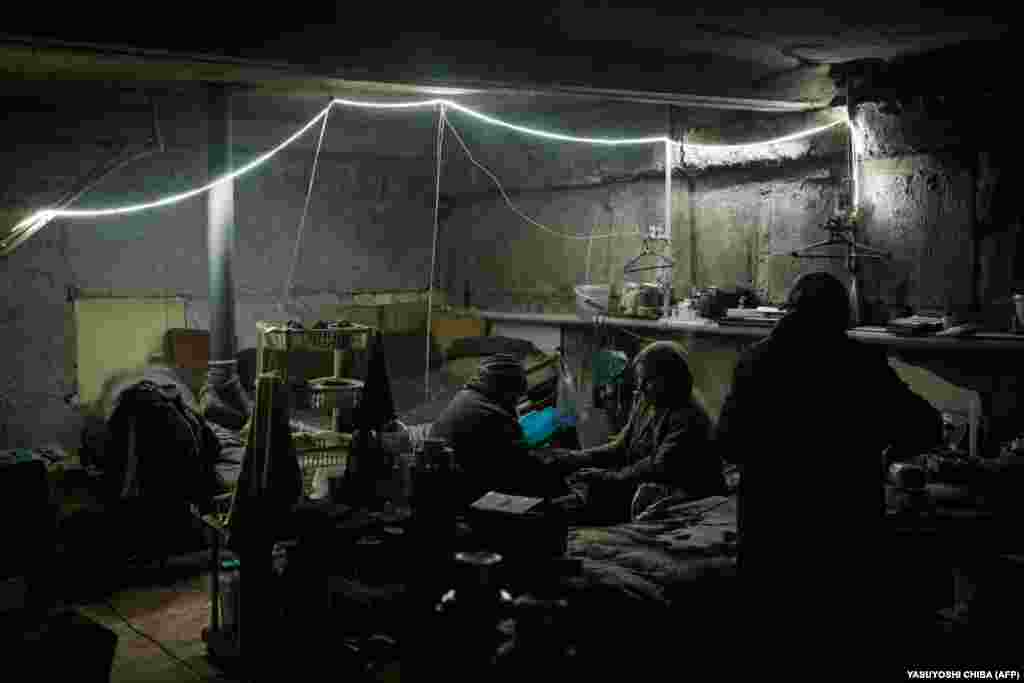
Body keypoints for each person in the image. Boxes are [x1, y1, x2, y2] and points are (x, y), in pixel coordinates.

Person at [715, 271, 943, 660]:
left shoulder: (753, 362)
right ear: (841, 317)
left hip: (770, 537)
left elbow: (728, 443)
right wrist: (888, 451)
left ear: (790, 308)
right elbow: (928, 426)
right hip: (841, 538)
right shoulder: (861, 364)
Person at [549, 340, 724, 522]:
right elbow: (621, 447)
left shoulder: (689, 417)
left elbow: (658, 467)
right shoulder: (646, 402)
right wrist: (575, 457)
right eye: (640, 380)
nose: (640, 388)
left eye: (648, 381)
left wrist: (606, 476)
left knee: (587, 504)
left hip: (681, 495)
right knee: (564, 501)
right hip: (644, 484)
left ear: (673, 379)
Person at [428, 353, 566, 504]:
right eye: (516, 396)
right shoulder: (493, 416)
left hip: (452, 489)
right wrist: (578, 461)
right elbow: (527, 470)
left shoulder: (466, 397)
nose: (517, 401)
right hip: (469, 499)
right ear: (506, 390)